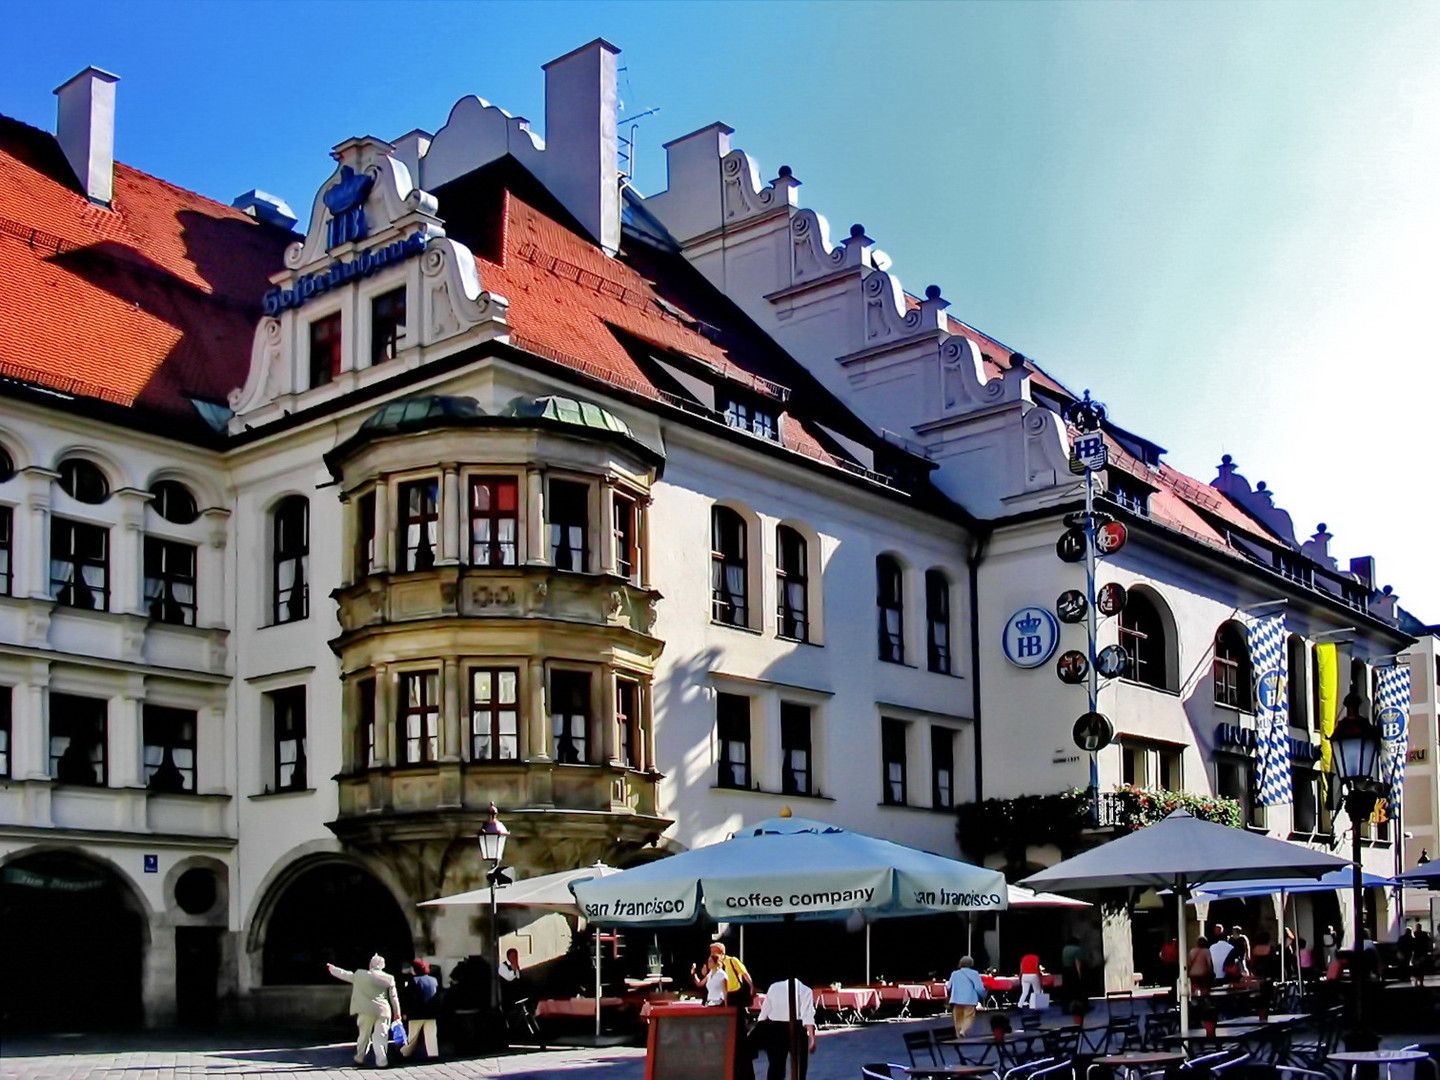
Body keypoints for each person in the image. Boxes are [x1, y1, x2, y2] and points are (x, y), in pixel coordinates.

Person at [326, 954, 403, 1068]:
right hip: (384, 1010)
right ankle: (382, 1061)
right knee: (381, 1036)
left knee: (363, 1036)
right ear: (383, 965)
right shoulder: (389, 978)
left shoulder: (360, 975)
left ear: (370, 964)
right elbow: (394, 997)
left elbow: (345, 975)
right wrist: (397, 1012)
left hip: (366, 1010)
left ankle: (360, 1057)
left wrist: (333, 969)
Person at [754, 976, 817, 1080]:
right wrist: (812, 1038)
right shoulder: (805, 990)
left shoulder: (774, 987)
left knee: (775, 1066)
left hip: (774, 1027)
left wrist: (760, 1028)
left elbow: (764, 1012)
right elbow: (807, 1017)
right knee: (799, 1065)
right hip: (796, 1028)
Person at [399, 959, 440, 1060]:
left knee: (412, 1037)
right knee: (431, 1035)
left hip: (416, 1013)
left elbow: (408, 998)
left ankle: (405, 1053)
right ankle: (433, 1053)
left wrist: (405, 1012)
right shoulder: (433, 980)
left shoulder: (412, 981)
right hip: (431, 1012)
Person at [946, 955, 987, 1037]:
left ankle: (958, 1035)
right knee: (968, 1016)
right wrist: (984, 995)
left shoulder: (954, 973)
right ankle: (963, 1031)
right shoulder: (974, 973)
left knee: (958, 1018)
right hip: (969, 1000)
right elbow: (979, 987)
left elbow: (948, 986)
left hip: (956, 999)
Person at [710, 942, 755, 1008]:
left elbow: (745, 974)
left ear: (721, 952)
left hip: (736, 992)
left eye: (714, 952)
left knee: (738, 1013)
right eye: (711, 952)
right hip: (722, 995)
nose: (712, 954)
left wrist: (751, 986)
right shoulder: (714, 964)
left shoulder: (732, 960)